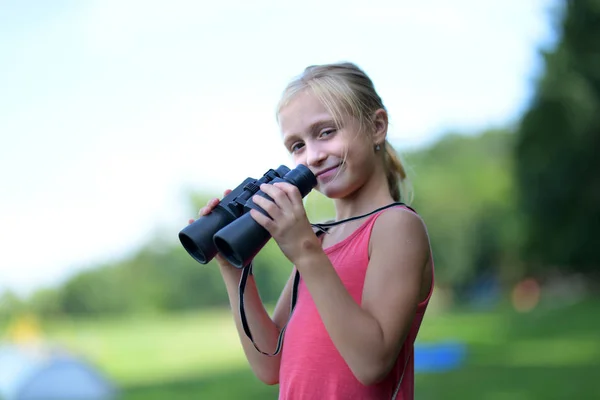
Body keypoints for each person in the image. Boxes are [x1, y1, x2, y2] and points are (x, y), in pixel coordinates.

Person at [190, 62, 435, 400]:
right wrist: (234, 269)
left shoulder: (396, 226)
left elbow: (371, 363)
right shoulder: (320, 241)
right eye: (297, 146)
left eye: (326, 132)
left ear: (377, 127)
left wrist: (305, 251)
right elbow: (269, 365)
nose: (313, 157)